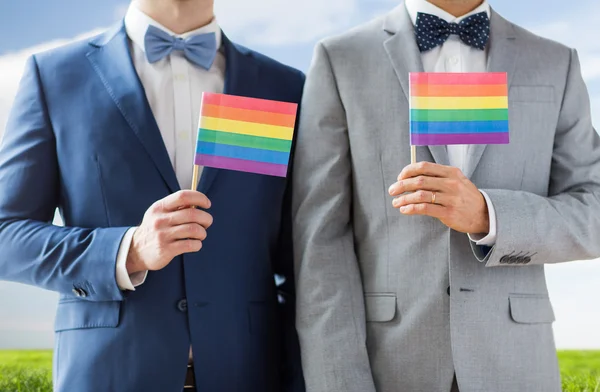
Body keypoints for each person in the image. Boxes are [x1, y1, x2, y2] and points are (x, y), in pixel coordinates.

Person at [291, 0, 600, 391]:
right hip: (389, 365)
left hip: (518, 367)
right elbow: (320, 241)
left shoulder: (556, 61)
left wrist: (490, 216)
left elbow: (594, 209)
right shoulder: (341, 58)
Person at [0, 0, 305, 391]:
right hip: (107, 375)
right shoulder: (56, 76)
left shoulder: (279, 86)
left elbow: (302, 260)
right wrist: (127, 251)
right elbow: (7, 235)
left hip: (248, 375)